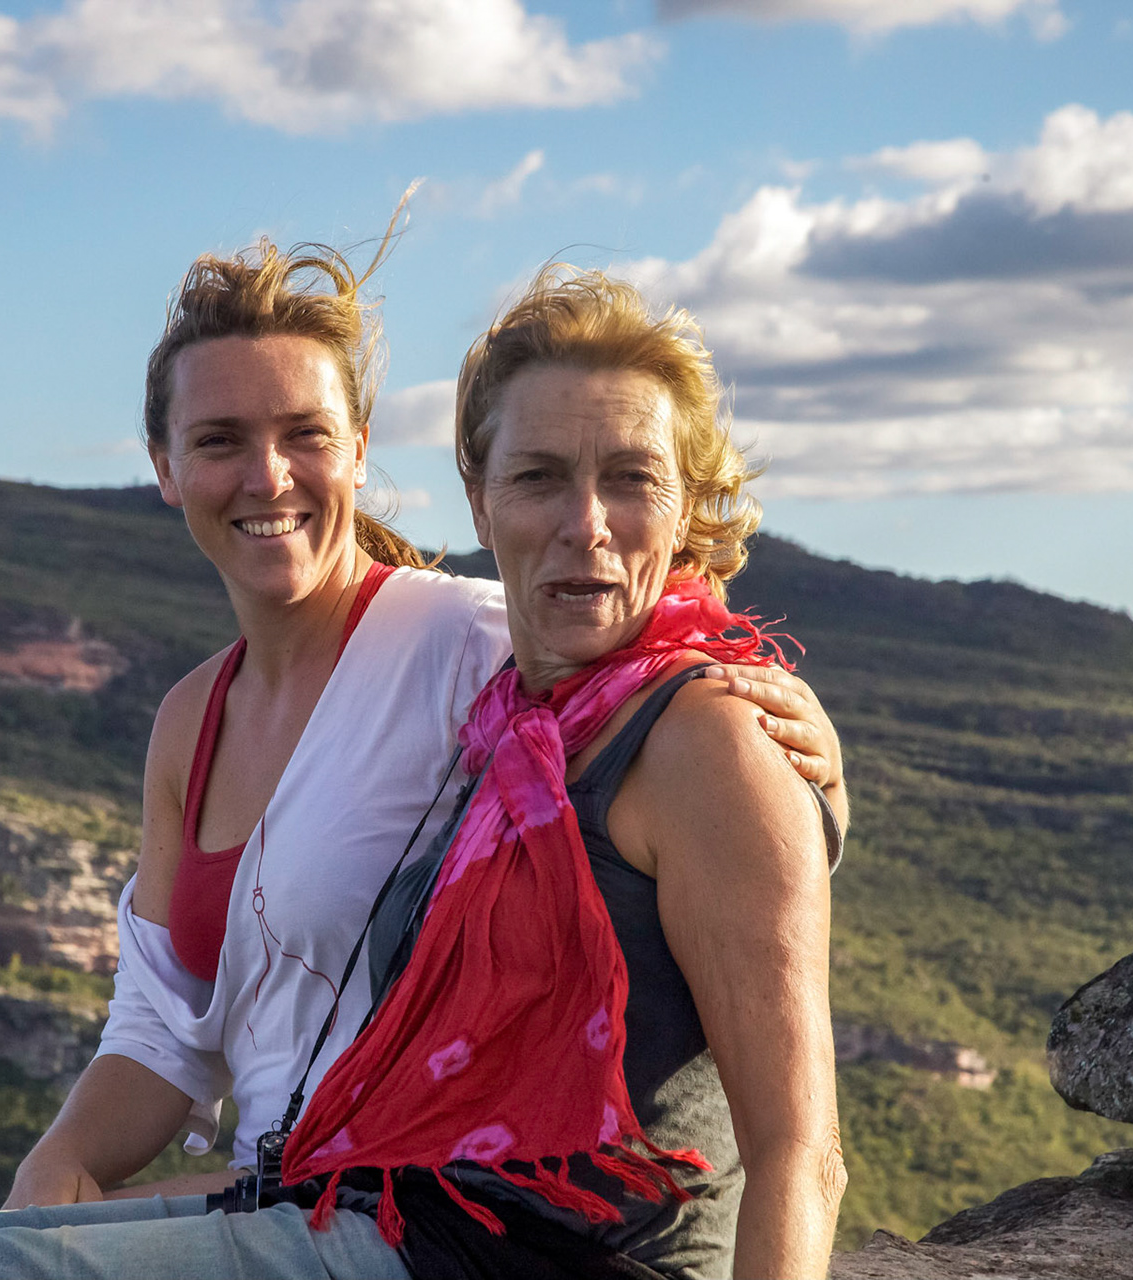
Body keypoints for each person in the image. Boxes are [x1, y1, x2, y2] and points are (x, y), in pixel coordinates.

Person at [0, 236, 844, 1280]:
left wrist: (809, 773)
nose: (268, 474)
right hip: (329, 1190)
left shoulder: (470, 645)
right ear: (164, 467)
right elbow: (163, 1020)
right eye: (220, 439)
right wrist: (59, 1160)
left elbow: (650, 677)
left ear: (358, 450)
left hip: (472, 1229)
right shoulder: (235, 716)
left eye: (305, 433)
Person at [282, 267, 844, 1279]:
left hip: (563, 1261)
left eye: (631, 477)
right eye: (540, 477)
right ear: (480, 501)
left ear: (684, 507)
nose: (586, 521)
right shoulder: (512, 728)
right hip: (406, 1226)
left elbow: (800, 1153)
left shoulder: (708, 736)